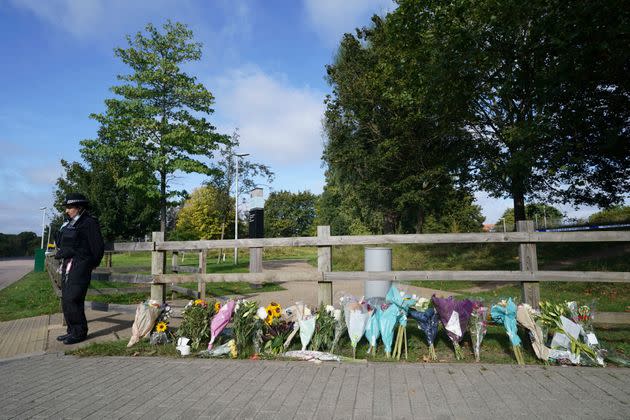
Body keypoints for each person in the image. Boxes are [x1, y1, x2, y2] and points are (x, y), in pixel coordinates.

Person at [54, 193, 104, 344]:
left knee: (74, 298)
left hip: (80, 266)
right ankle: (71, 330)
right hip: (67, 265)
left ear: (79, 207)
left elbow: (97, 248)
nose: (66, 211)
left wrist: (88, 264)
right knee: (66, 299)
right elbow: (61, 242)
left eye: (70, 207)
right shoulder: (69, 223)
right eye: (66, 208)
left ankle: (80, 332)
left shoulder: (89, 222)